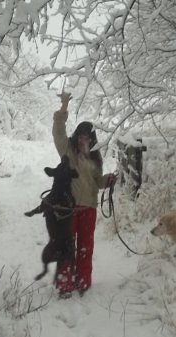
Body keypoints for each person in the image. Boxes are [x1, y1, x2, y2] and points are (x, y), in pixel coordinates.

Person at [51, 92, 116, 298]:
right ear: (76, 136)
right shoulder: (67, 152)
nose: (83, 140)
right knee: (67, 248)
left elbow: (97, 183)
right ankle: (65, 285)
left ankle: (83, 282)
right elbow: (58, 133)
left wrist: (109, 180)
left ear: (92, 139)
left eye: (87, 137)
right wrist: (63, 107)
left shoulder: (96, 159)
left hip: (89, 209)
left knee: (86, 248)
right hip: (68, 209)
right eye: (80, 136)